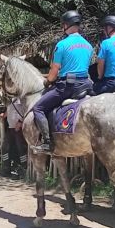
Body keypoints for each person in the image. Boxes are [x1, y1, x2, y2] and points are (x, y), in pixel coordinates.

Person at [32, 10, 94, 151]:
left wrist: (47, 82)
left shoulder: (62, 45)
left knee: (38, 108)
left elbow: (53, 74)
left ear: (66, 25)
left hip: (67, 87)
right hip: (86, 84)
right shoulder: (88, 45)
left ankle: (47, 142)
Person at [0, 98, 27, 179]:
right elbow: (10, 110)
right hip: (11, 128)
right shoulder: (10, 100)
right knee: (5, 148)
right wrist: (4, 115)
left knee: (21, 149)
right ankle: (6, 168)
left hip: (19, 129)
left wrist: (21, 122)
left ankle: (24, 169)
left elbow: (27, 110)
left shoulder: (21, 98)